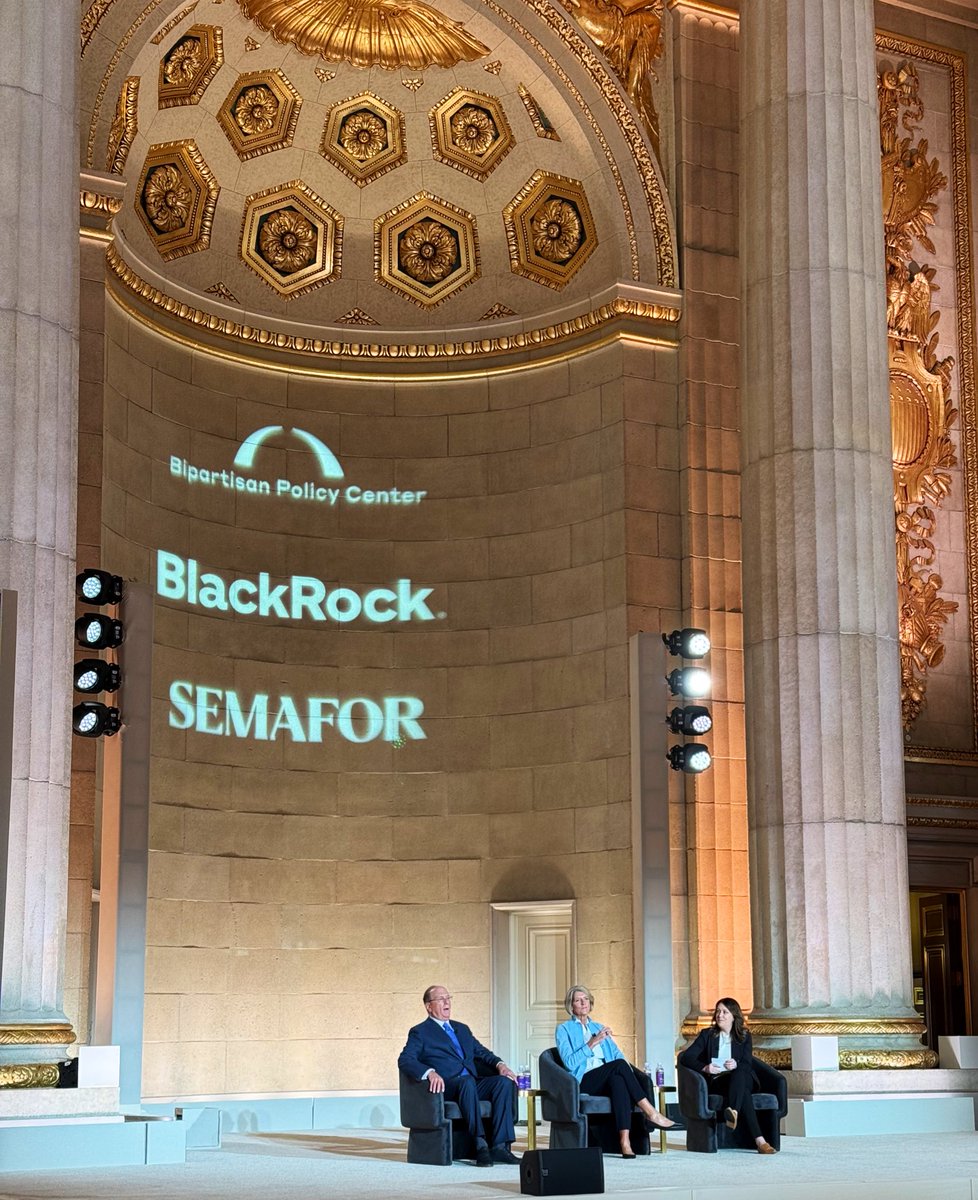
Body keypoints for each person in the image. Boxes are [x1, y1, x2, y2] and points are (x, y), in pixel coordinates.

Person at [398, 984, 520, 1167]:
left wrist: (500, 1064)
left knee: (503, 1083)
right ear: (428, 1006)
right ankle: (480, 1145)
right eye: (441, 999)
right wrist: (429, 1072)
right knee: (466, 1083)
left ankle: (500, 1146)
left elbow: (481, 1052)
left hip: (471, 1081)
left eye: (448, 998)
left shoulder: (462, 1029)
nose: (447, 1001)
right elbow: (405, 1059)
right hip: (447, 1086)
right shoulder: (420, 1032)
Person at [555, 984, 675, 1158]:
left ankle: (624, 1141)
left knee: (619, 1081)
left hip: (606, 1076)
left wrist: (629, 1075)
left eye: (586, 999)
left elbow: (619, 1057)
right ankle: (651, 1112)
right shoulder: (564, 1029)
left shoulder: (598, 1027)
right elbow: (570, 1063)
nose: (583, 1003)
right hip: (582, 1080)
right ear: (571, 1006)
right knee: (618, 1067)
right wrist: (593, 1042)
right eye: (578, 1000)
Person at [677, 997, 777, 1154]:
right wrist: (705, 1067)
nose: (720, 1015)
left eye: (724, 1012)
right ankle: (760, 1140)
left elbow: (747, 1063)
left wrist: (736, 1064)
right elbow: (687, 1057)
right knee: (743, 1093)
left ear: (733, 1016)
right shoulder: (707, 1035)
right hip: (720, 1081)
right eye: (718, 1011)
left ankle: (734, 1111)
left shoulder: (744, 1036)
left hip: (743, 1077)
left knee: (740, 1073)